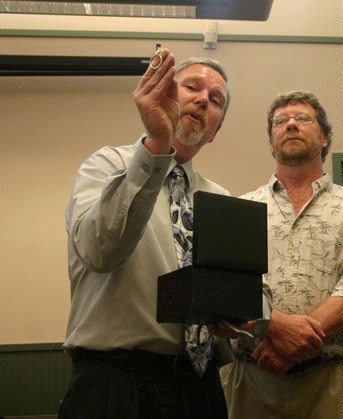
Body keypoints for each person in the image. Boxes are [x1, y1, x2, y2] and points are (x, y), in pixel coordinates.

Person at [60, 51, 271, 418]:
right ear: (164, 96)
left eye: (216, 99)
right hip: (116, 385)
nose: (204, 99)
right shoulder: (106, 166)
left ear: (216, 130)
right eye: (192, 87)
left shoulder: (219, 199)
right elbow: (100, 251)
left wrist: (246, 314)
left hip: (200, 388)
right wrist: (158, 145)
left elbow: (252, 287)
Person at [220, 90, 343, 418]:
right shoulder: (240, 209)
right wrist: (277, 327)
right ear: (271, 141)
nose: (291, 125)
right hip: (251, 381)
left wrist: (292, 348)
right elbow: (226, 289)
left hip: (330, 382)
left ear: (324, 137)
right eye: (281, 122)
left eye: (302, 119)